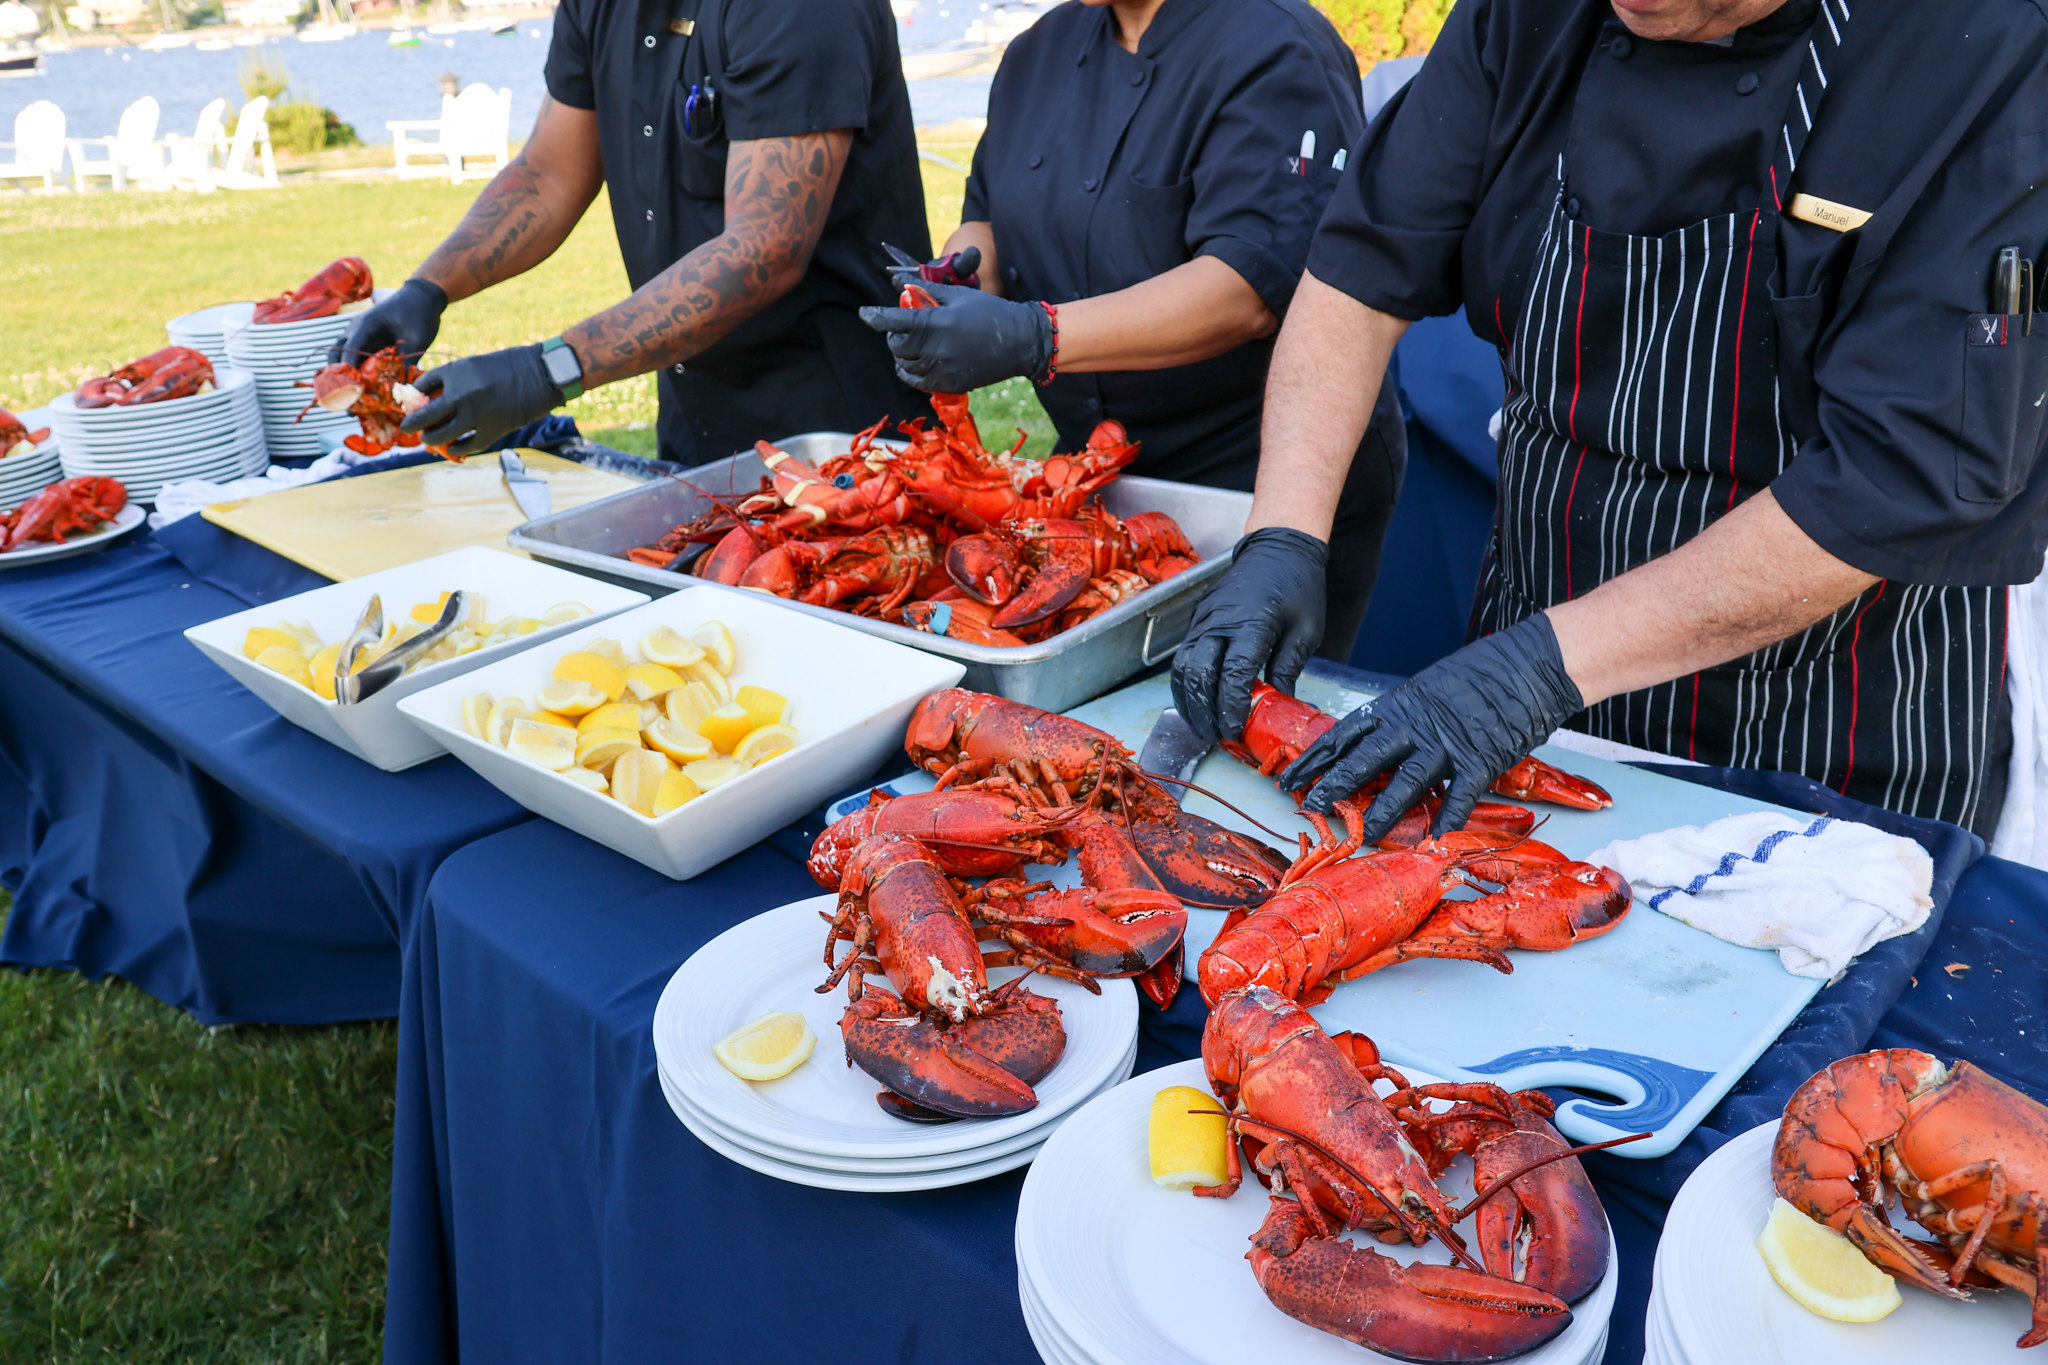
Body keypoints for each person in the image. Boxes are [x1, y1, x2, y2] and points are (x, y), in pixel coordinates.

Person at [1172, 0, 2048, 840]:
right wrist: (1284, 532)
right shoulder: (1529, 16)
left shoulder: (1978, 46)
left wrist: (1538, 671)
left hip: (1828, 727)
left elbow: (1897, 476)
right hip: (1520, 679)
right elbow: (1359, 270)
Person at [858, 0, 1407, 661]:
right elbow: (989, 219)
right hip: (1096, 471)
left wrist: (1035, 336)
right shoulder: (1038, 51)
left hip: (1262, 473)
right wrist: (958, 283)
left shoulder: (1279, 48)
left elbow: (1246, 287)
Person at [335, 0, 931, 465]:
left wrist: (547, 371)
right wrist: (427, 290)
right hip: (696, 414)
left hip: (848, 430)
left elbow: (764, 250)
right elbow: (548, 174)